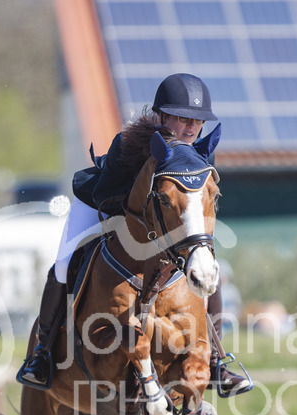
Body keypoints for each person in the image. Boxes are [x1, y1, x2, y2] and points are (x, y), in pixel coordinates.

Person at [17, 73, 252, 397]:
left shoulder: (199, 156)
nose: (190, 128)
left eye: (197, 122)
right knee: (62, 264)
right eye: (182, 119)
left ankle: (216, 361)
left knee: (210, 270)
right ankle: (41, 354)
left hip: (166, 232)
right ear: (161, 116)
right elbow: (104, 196)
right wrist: (144, 209)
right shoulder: (128, 145)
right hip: (102, 207)